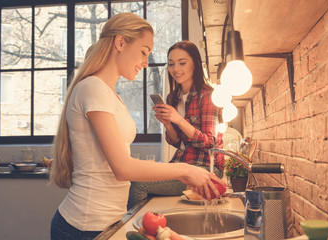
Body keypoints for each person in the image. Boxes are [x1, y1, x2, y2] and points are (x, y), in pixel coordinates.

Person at [49, 13, 224, 240]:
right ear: (120, 42)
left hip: (108, 221)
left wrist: (185, 173)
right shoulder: (93, 88)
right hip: (83, 226)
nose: (146, 62)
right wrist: (187, 170)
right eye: (144, 51)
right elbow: (123, 169)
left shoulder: (110, 94)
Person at [127, 41, 224, 210]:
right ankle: (156, 228)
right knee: (138, 176)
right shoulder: (174, 97)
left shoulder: (208, 95)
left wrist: (178, 119)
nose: (175, 69)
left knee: (139, 184)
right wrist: (168, 124)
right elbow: (177, 142)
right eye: (171, 64)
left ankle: (139, 232)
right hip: (181, 165)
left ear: (195, 63)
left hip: (205, 169)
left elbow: (210, 143)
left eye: (182, 63)